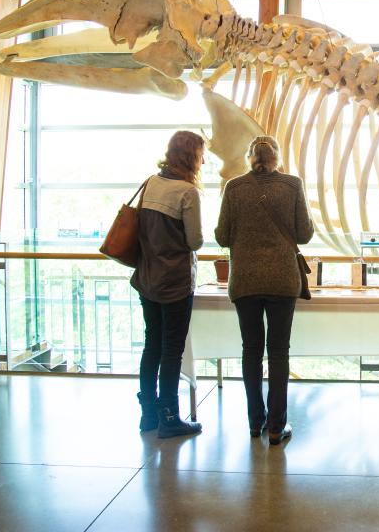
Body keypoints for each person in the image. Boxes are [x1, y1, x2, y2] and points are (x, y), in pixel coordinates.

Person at [214, 135, 314, 446]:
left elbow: (221, 237)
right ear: (277, 158)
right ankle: (276, 427)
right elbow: (305, 233)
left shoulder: (234, 187)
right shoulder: (292, 185)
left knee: (251, 351)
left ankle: (254, 424)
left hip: (245, 280)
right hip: (283, 280)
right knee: (279, 352)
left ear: (249, 157)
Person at [131, 130, 205, 439]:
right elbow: (195, 240)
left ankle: (148, 413)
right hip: (175, 282)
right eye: (201, 154)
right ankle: (171, 416)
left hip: (148, 278)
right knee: (172, 350)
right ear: (192, 157)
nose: (203, 160)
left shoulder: (151, 183)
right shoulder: (187, 192)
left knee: (152, 344)